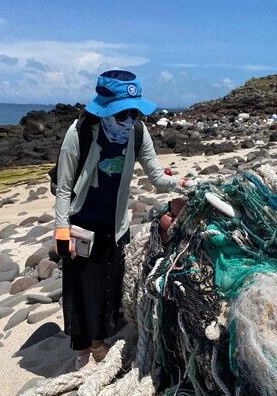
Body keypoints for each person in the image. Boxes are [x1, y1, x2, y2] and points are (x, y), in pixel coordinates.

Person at [54, 70, 189, 370]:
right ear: (104, 110)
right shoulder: (78, 134)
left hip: (115, 223)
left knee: (111, 282)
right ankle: (83, 351)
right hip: (82, 220)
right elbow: (63, 188)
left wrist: (182, 185)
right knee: (82, 285)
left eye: (134, 113)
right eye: (123, 114)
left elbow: (156, 177)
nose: (129, 120)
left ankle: (101, 341)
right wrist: (61, 230)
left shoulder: (137, 132)